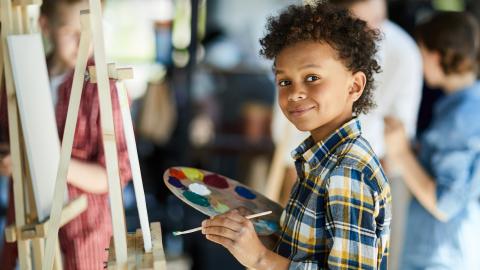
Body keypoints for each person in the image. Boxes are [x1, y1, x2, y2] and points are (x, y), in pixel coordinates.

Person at [201, 2, 392, 269]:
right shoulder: (320, 158)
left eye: (312, 77)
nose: (294, 93)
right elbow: (306, 253)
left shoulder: (347, 172)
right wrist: (258, 239)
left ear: (355, 85)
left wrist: (259, 258)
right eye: (284, 81)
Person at [0, 0, 132, 269]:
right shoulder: (19, 79)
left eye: (93, 30)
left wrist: (51, 163)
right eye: (72, 32)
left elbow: (116, 174)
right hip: (25, 229)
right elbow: (5, 138)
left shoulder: (103, 88)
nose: (85, 41)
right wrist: (7, 158)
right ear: (45, 26)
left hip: (84, 238)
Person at [385, 11, 480, 269]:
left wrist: (401, 152)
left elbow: (445, 203)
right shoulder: (460, 107)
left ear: (436, 56)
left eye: (421, 52)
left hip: (441, 258)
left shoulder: (464, 115)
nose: (419, 62)